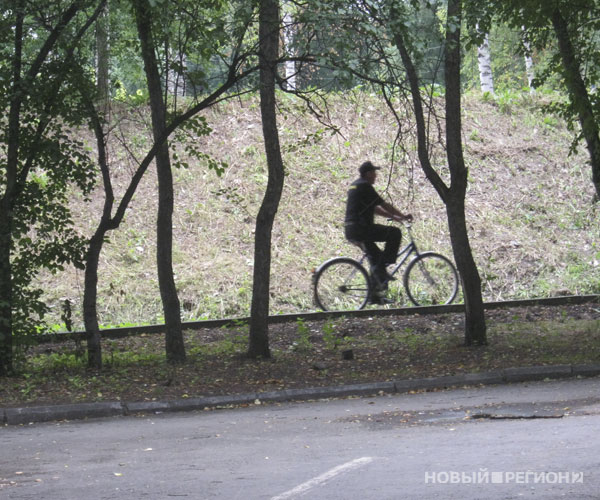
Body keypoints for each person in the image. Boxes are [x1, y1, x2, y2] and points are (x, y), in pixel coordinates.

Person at [344, 161, 413, 290]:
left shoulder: (355, 186)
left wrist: (395, 217)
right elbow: (384, 205)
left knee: (376, 259)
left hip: (351, 230)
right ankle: (382, 267)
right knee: (395, 233)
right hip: (362, 229)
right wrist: (403, 216)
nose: (376, 176)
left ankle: (375, 295)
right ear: (368, 174)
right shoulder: (365, 186)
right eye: (374, 173)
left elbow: (374, 209)